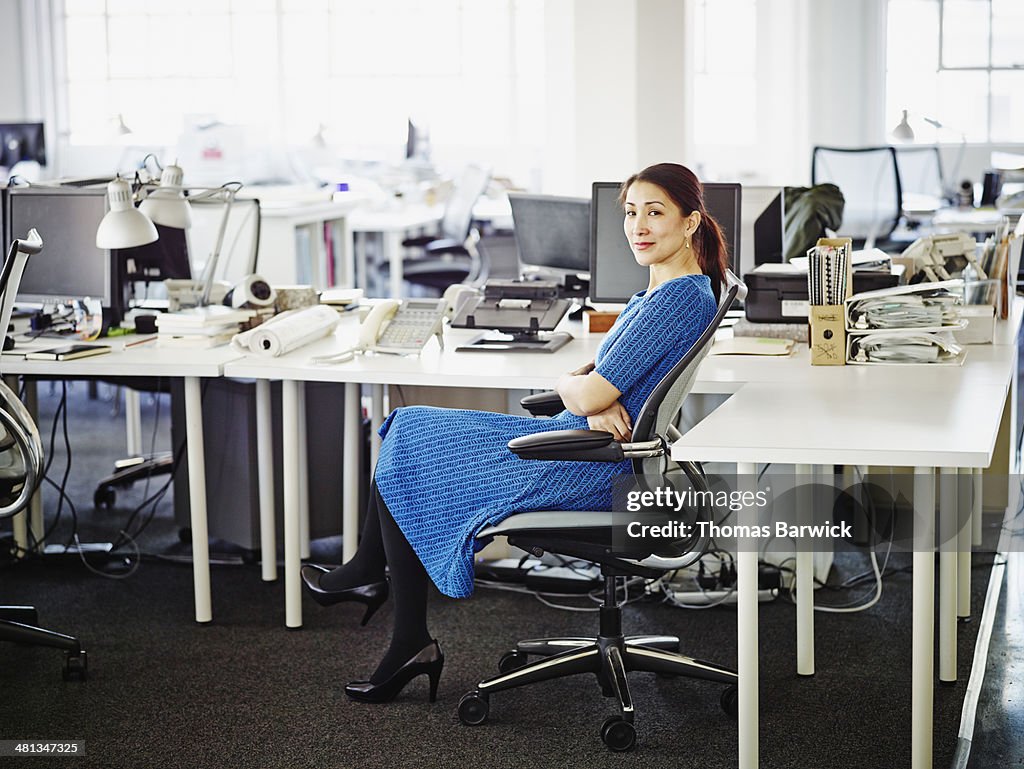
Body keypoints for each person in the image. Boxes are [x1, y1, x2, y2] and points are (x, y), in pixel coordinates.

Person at [301, 162, 728, 704]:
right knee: (407, 428)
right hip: (581, 442)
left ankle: (383, 599)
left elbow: (592, 387)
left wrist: (588, 392)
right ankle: (379, 593)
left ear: (690, 223)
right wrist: (592, 394)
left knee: (408, 433)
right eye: (630, 213)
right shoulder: (663, 292)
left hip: (585, 465)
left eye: (655, 212)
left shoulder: (674, 299)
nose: (638, 226)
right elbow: (596, 384)